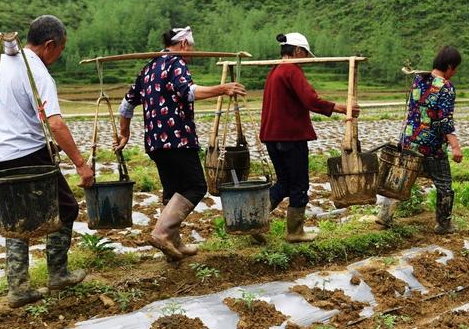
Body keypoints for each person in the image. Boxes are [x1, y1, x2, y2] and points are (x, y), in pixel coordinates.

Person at [0, 15, 95, 308]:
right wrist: (81, 163)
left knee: (15, 218)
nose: (58, 56)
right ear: (50, 45)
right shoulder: (37, 72)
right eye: (60, 49)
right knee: (67, 208)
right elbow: (56, 123)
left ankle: (19, 288)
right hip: (29, 153)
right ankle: (58, 273)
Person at [116, 26, 245, 260]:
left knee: (172, 190)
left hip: (155, 142)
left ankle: (173, 243)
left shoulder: (148, 68)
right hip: (178, 139)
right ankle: (162, 232)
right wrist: (222, 89)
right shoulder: (176, 63)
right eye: (191, 47)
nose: (192, 51)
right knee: (196, 187)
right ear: (184, 43)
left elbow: (126, 104)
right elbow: (188, 91)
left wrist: (124, 133)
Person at [260, 32, 358, 243]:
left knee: (284, 182)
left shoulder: (275, 70)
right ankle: (295, 231)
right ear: (297, 51)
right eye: (304, 53)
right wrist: (340, 107)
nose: (305, 58)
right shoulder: (291, 70)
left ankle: (254, 221)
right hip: (290, 137)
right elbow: (310, 99)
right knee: (299, 184)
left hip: (272, 136)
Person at [400, 46, 463, 234]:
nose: (455, 72)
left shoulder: (418, 80)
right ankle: (444, 224)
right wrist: (455, 146)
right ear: (450, 66)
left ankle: (384, 216)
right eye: (455, 68)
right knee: (444, 184)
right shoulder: (445, 86)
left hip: (410, 140)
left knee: (403, 178)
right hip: (432, 146)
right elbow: (445, 120)